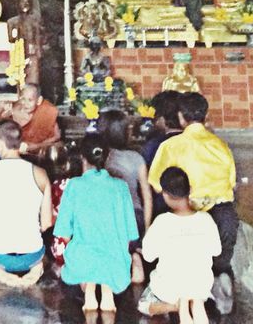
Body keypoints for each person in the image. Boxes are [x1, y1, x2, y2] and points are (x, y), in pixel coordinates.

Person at [148, 91, 238, 315]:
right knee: (219, 249)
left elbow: (156, 183)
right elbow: (231, 182)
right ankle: (218, 278)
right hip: (223, 214)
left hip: (186, 212)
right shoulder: (221, 145)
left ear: (180, 118)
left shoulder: (171, 146)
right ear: (205, 117)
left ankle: (180, 293)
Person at [53, 134, 138, 312]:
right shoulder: (120, 187)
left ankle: (89, 291)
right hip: (115, 264)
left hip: (82, 261)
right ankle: (107, 294)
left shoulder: (74, 186)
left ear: (82, 157)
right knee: (107, 287)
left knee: (84, 259)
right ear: (107, 157)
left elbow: (63, 233)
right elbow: (131, 234)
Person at [0, 120, 52, 287]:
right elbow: (46, 223)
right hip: (32, 255)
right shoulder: (41, 174)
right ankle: (37, 268)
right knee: (44, 253)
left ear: (0, 143)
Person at [138, 166, 221, 324]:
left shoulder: (162, 222)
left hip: (168, 289)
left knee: (143, 305)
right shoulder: (206, 220)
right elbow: (216, 251)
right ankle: (193, 303)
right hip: (200, 285)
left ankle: (176, 306)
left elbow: (148, 256)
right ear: (190, 189)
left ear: (165, 195)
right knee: (198, 296)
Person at [97, 108, 152, 282]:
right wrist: (147, 229)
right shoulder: (136, 158)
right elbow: (147, 197)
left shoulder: (100, 158)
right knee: (130, 244)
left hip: (107, 217)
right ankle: (135, 256)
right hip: (134, 216)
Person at [0, 84, 60, 154]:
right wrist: (1, 106)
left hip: (37, 154)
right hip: (13, 152)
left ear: (39, 100)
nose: (25, 103)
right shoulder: (13, 109)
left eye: (30, 100)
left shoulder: (45, 111)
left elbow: (56, 136)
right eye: (23, 99)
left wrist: (37, 146)